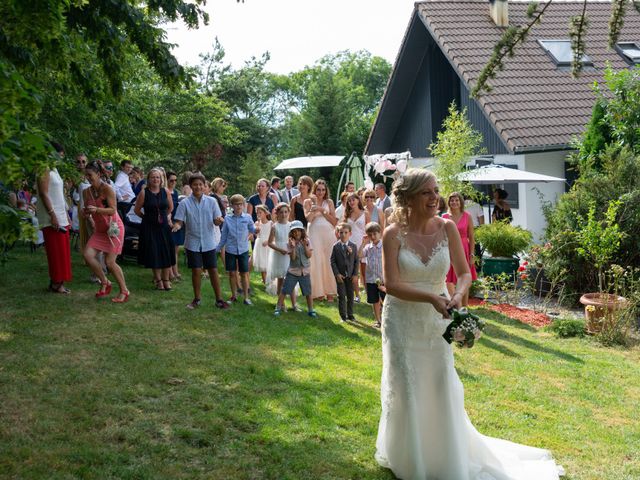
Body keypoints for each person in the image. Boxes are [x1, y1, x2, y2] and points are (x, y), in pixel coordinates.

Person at [375, 168, 563, 479]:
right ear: (408, 197)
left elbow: (463, 274)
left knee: (438, 382)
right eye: (427, 192)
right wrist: (432, 299)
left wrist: (458, 294)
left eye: (436, 191)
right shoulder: (392, 234)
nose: (435, 198)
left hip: (439, 320)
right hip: (403, 321)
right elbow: (391, 284)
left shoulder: (447, 228)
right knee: (406, 385)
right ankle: (409, 456)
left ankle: (443, 452)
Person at [172, 173, 228, 310]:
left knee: (213, 270)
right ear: (190, 186)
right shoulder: (184, 203)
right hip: (192, 242)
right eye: (195, 184)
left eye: (200, 184)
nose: (198, 187)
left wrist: (218, 220)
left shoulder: (212, 201)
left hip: (209, 242)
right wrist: (177, 226)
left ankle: (219, 300)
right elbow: (179, 221)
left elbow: (216, 220)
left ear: (204, 186)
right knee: (196, 271)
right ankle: (196, 299)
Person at [82, 161, 129, 303]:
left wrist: (96, 210)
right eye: (86, 175)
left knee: (110, 262)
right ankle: (105, 282)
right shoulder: (86, 192)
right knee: (87, 255)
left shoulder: (108, 189)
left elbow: (112, 210)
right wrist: (86, 214)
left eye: (90, 175)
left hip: (114, 228)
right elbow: (87, 210)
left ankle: (124, 291)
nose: (88, 178)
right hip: (100, 230)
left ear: (98, 174)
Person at [36, 143, 72, 294]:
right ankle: (57, 284)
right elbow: (44, 193)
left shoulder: (54, 169)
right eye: (60, 155)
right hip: (51, 217)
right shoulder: (43, 168)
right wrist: (53, 215)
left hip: (61, 215)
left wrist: (66, 214)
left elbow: (59, 194)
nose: (61, 158)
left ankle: (57, 282)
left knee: (62, 251)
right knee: (55, 252)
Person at [134, 168, 175, 290]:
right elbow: (136, 210)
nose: (155, 179)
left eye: (157, 177)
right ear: (149, 179)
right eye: (153, 177)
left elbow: (170, 208)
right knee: (154, 253)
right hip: (149, 227)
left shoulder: (165, 191)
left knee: (166, 252)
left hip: (163, 228)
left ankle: (166, 279)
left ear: (161, 179)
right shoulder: (144, 193)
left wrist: (163, 216)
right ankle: (158, 280)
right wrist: (146, 218)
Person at [216, 194, 256, 305]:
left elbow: (252, 229)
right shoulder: (227, 219)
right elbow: (223, 236)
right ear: (232, 206)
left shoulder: (247, 217)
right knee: (232, 273)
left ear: (243, 205)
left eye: (240, 204)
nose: (238, 207)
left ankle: (246, 297)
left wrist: (257, 229)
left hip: (243, 249)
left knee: (244, 273)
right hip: (230, 250)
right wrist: (217, 249)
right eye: (236, 205)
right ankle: (234, 295)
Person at [275, 220, 317, 318]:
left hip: (305, 272)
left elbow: (309, 255)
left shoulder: (307, 241)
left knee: (308, 292)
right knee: (285, 290)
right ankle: (278, 308)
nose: (297, 233)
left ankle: (311, 310)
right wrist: (293, 247)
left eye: (299, 230)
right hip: (293, 271)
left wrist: (306, 246)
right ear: (292, 233)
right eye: (294, 231)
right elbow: (293, 258)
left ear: (302, 231)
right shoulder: (289, 243)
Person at [442, 192, 478, 307]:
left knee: (464, 278)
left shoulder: (467, 216)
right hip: (449, 249)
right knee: (449, 279)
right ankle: (455, 304)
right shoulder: (444, 217)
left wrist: (472, 255)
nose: (454, 202)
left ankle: (465, 306)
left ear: (461, 202)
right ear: (449, 202)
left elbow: (472, 237)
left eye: (457, 200)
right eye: (452, 200)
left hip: (464, 249)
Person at [305, 179, 337, 302]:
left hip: (328, 232)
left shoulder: (329, 202)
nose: (321, 192)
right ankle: (318, 292)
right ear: (314, 190)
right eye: (318, 189)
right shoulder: (308, 201)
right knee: (316, 259)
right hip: (314, 232)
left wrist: (322, 210)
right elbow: (309, 219)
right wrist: (314, 205)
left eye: (323, 190)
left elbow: (334, 221)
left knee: (329, 260)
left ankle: (330, 292)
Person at [343, 192, 369, 302]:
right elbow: (342, 227)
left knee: (365, 273)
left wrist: (367, 243)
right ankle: (357, 295)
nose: (351, 202)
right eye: (349, 201)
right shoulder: (347, 214)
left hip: (363, 244)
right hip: (350, 245)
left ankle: (370, 295)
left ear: (358, 200)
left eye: (353, 199)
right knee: (353, 273)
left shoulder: (365, 213)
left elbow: (369, 229)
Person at [330, 222, 359, 322]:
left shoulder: (353, 246)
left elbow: (356, 261)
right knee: (341, 295)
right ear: (338, 233)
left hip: (350, 276)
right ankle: (343, 316)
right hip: (340, 276)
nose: (343, 235)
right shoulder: (336, 246)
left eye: (346, 232)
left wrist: (355, 274)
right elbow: (332, 261)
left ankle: (350, 314)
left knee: (350, 295)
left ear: (350, 234)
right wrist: (337, 274)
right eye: (341, 232)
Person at [359, 222, 385, 328]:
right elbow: (359, 255)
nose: (373, 237)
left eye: (375, 234)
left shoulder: (384, 246)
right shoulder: (367, 248)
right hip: (371, 279)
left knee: (385, 300)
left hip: (383, 279)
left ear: (380, 233)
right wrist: (363, 243)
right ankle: (378, 320)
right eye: (370, 235)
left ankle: (385, 319)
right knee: (374, 301)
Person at [268, 202, 292, 302]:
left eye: (286, 212)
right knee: (280, 279)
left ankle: (293, 303)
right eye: (281, 212)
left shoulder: (291, 226)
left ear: (289, 213)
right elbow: (270, 243)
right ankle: (281, 303)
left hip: (289, 253)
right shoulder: (275, 226)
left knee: (290, 278)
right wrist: (280, 249)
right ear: (277, 213)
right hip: (278, 253)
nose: (284, 214)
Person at [167, 171, 184, 281]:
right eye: (171, 180)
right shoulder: (164, 191)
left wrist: (178, 222)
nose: (173, 182)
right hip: (167, 221)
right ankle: (170, 274)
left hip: (175, 221)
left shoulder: (176, 193)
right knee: (168, 249)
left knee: (175, 249)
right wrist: (169, 221)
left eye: (175, 180)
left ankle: (175, 271)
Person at [252, 204, 272, 284]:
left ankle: (270, 281)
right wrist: (256, 229)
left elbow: (273, 236)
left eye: (260, 213)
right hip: (260, 245)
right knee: (262, 265)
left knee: (269, 264)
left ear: (266, 213)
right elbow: (256, 234)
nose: (258, 215)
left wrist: (268, 241)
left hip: (268, 245)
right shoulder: (257, 223)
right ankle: (265, 283)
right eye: (257, 213)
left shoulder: (270, 223)